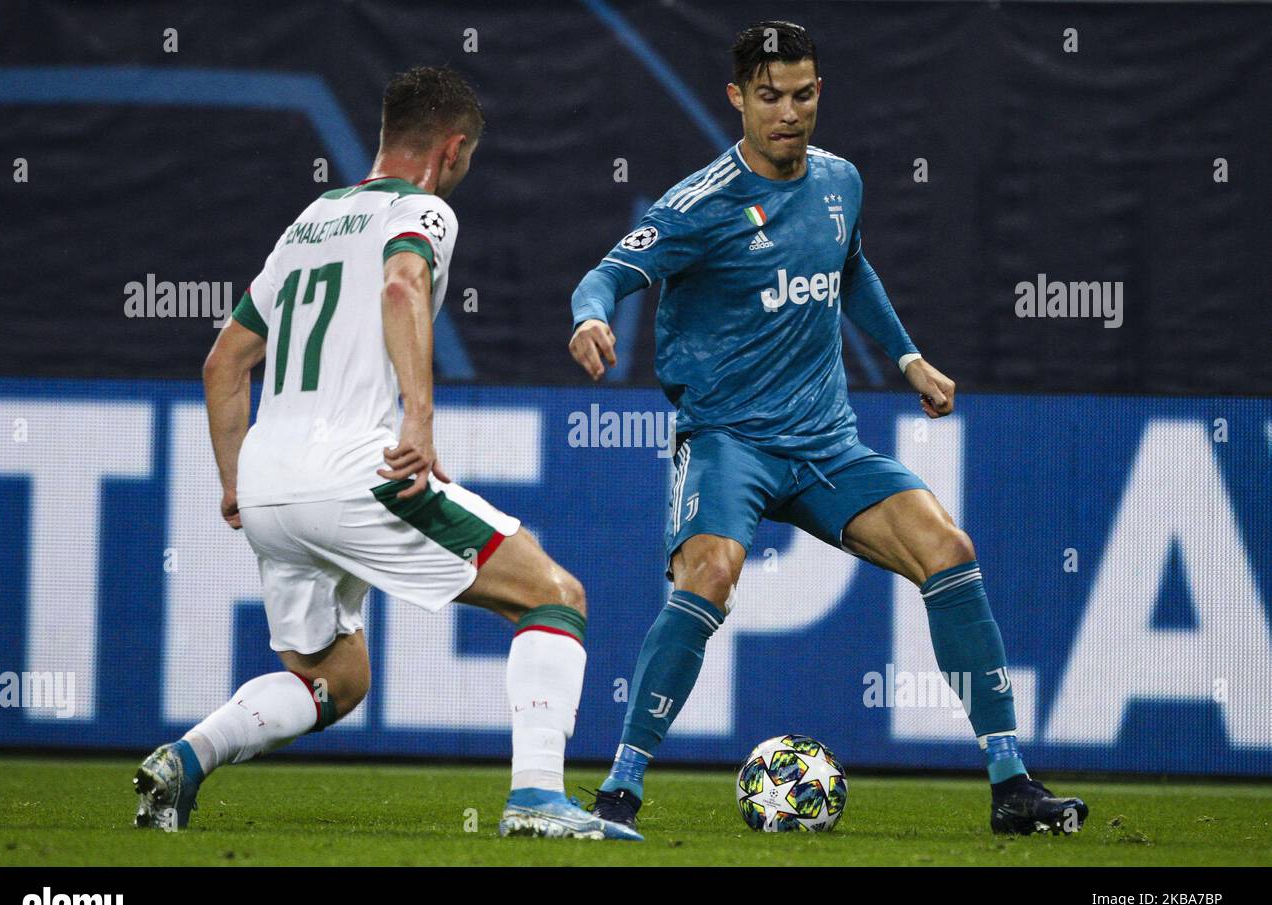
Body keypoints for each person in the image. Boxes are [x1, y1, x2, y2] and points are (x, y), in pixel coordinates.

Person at [569, 22, 1087, 838]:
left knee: (948, 550)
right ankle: (619, 790)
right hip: (728, 440)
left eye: (803, 94)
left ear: (820, 91)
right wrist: (590, 319)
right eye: (769, 96)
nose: (789, 112)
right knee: (709, 571)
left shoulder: (842, 181)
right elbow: (608, 273)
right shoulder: (700, 205)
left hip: (825, 443)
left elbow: (849, 265)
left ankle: (1011, 785)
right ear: (737, 98)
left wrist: (909, 358)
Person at [135, 66, 639, 841]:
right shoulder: (423, 210)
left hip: (270, 482)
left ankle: (184, 758)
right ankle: (536, 799)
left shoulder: (308, 222)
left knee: (335, 677)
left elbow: (223, 365)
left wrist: (236, 484)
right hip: (353, 471)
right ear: (453, 147)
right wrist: (421, 421)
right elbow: (402, 286)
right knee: (553, 593)